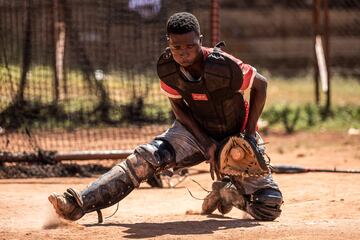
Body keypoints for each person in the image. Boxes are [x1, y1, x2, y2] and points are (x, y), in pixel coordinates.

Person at [48, 12, 283, 222]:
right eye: (176, 47)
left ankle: (228, 193)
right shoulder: (168, 69)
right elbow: (178, 108)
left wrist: (250, 134)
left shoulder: (224, 66)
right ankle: (78, 203)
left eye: (189, 46)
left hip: (237, 138)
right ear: (169, 43)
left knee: (269, 206)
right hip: (192, 132)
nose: (183, 53)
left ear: (200, 40)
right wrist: (205, 142)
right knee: (143, 159)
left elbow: (260, 84)